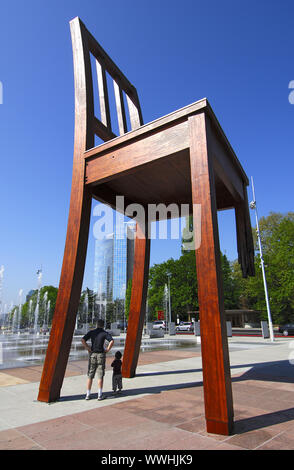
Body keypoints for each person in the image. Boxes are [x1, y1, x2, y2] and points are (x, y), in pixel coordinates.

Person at [81, 319, 114, 401]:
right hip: (101, 355)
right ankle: (99, 394)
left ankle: (88, 394)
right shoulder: (104, 333)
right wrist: (107, 349)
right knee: (100, 375)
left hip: (92, 354)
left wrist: (88, 348)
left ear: (97, 324)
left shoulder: (92, 332)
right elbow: (112, 341)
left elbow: (83, 340)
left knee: (90, 375)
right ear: (103, 325)